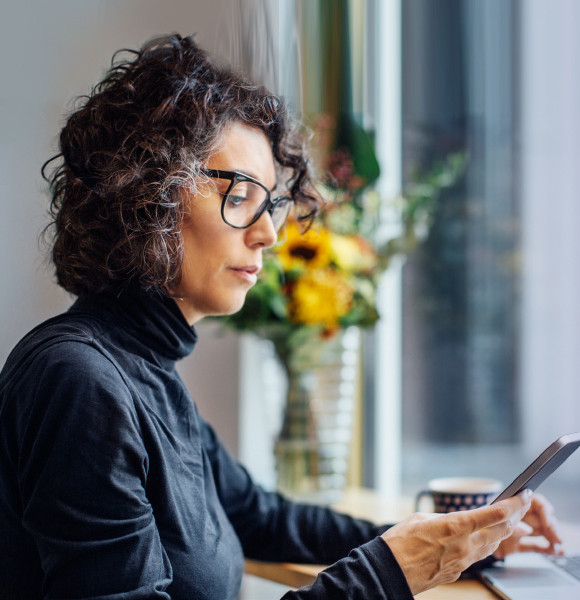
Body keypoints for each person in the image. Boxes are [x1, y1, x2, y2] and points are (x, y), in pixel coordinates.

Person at [0, 34, 562, 600]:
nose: (269, 232)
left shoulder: (143, 369)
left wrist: (454, 542)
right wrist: (388, 573)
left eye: (269, 203)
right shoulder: (79, 381)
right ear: (148, 194)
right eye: (241, 195)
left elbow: (260, 517)